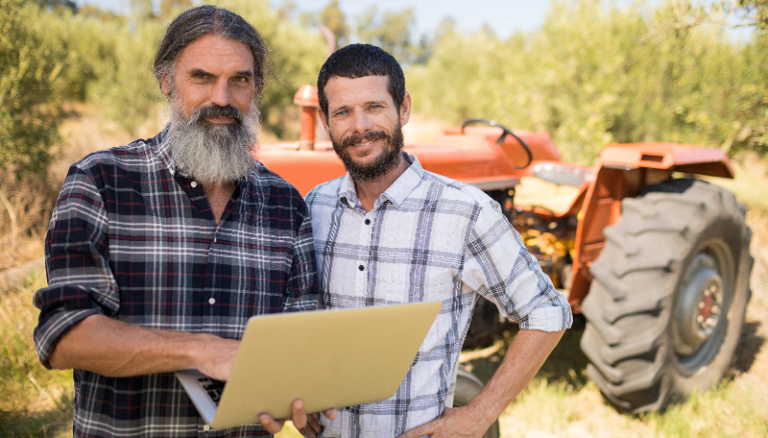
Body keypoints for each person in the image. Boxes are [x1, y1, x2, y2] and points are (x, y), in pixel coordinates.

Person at [33, 6, 334, 437]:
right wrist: (200, 350)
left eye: (240, 80)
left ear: (257, 88)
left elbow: (297, 342)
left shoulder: (285, 205)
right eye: (202, 77)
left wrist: (301, 395)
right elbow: (64, 336)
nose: (222, 98)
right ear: (166, 81)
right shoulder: (101, 182)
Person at [304, 44, 573, 438]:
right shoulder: (314, 205)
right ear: (326, 122)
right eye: (343, 112)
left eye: (374, 107)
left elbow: (547, 311)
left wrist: (480, 414)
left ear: (404, 109)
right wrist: (300, 393)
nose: (359, 126)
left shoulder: (466, 211)